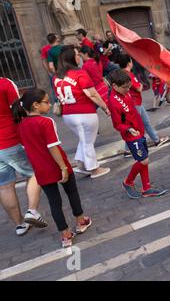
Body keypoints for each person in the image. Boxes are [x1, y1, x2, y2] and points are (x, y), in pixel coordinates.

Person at [12, 89, 92, 248]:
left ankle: (66, 235)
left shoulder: (20, 126)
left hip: (41, 170)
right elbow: (53, 148)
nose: (50, 105)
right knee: (72, 192)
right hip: (57, 165)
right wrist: (63, 167)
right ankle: (81, 221)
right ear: (35, 105)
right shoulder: (46, 122)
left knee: (54, 203)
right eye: (46, 102)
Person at [108, 69, 168, 199]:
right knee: (144, 160)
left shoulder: (126, 93)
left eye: (128, 87)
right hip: (131, 135)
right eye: (125, 87)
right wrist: (129, 129)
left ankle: (146, 187)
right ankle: (128, 181)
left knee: (144, 158)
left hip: (138, 131)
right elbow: (117, 124)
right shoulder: (113, 102)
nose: (127, 89)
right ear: (114, 86)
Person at [53, 46, 111, 178]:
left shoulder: (56, 76)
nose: (79, 56)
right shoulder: (79, 73)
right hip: (84, 113)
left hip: (68, 114)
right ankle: (93, 168)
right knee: (88, 142)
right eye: (77, 55)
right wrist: (105, 107)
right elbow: (92, 94)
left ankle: (81, 165)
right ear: (71, 58)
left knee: (84, 139)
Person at [0, 77, 47, 236]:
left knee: (4, 186)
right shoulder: (5, 84)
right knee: (35, 173)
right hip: (11, 140)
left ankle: (20, 224)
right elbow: (18, 109)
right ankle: (32, 211)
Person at [115, 54, 170, 150]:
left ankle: (156, 140)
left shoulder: (122, 73)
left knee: (145, 122)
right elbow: (138, 88)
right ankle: (128, 149)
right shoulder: (128, 75)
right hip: (134, 103)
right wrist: (140, 84)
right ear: (129, 63)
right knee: (133, 126)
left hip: (136, 102)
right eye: (131, 61)